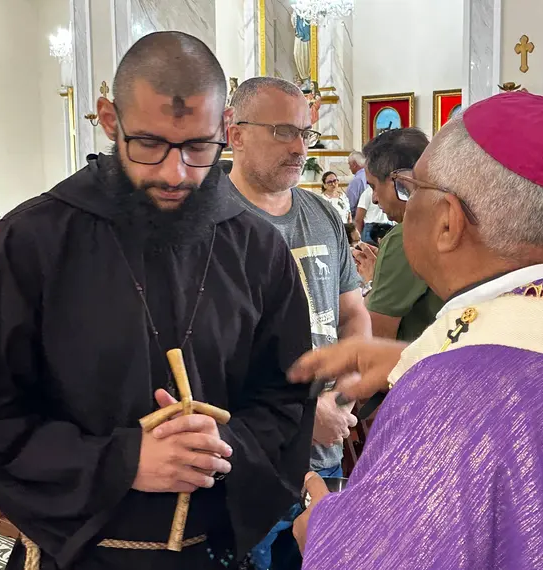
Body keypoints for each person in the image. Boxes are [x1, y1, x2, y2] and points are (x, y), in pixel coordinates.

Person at [0, 32, 316, 570]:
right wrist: (122, 461)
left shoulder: (256, 248)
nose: (175, 172)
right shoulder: (36, 240)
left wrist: (223, 442)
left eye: (197, 147)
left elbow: (286, 398)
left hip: (213, 557)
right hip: (81, 557)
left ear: (224, 128)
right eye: (150, 144)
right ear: (110, 120)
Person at [288, 91, 543, 569]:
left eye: (411, 187)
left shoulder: (452, 396)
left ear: (447, 222)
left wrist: (319, 527)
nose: (402, 204)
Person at [226, 75, 370, 570]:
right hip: (247, 460)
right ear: (235, 132)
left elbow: (353, 315)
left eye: (305, 134)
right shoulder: (210, 223)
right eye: (282, 131)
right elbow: (209, 357)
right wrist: (303, 419)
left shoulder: (321, 214)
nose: (299, 147)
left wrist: (342, 394)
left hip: (325, 449)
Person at [363, 128, 443, 341]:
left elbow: (378, 339)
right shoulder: (451, 218)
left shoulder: (405, 235)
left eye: (374, 186)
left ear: (401, 181)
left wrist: (373, 287)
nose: (374, 199)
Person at [345, 151, 366, 218]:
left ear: (354, 164)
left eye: (349, 164)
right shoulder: (372, 174)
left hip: (362, 220)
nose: (349, 168)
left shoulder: (356, 181)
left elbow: (350, 206)